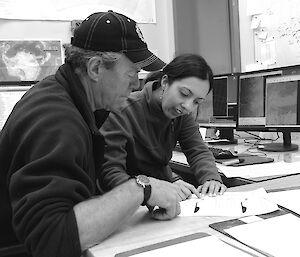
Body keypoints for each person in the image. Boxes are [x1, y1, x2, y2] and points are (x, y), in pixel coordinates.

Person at [0, 11, 183, 257]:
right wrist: (141, 187)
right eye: (131, 74)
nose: (136, 85)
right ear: (96, 68)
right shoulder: (58, 122)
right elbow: (52, 238)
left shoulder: (62, 95)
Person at [100, 54, 227, 201]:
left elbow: (197, 150)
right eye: (184, 94)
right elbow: (110, 174)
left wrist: (211, 178)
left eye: (197, 102)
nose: (188, 106)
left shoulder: (181, 114)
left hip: (159, 190)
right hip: (125, 198)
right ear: (165, 82)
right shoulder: (122, 111)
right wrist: (154, 189)